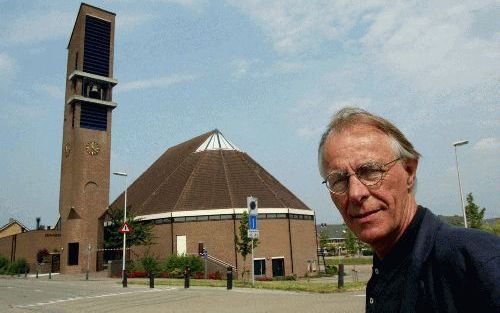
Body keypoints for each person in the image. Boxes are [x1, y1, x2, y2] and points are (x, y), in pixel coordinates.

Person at [318, 107, 499, 312]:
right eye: (339, 180)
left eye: (369, 171)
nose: (355, 193)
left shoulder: (475, 262)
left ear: (409, 171)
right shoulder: (385, 271)